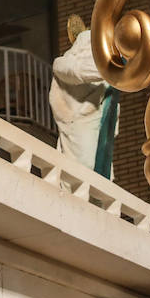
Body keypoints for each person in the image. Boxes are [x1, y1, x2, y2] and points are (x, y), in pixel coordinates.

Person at [49, 15, 119, 177]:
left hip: (100, 130)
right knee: (82, 174)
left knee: (102, 178)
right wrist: (115, 69)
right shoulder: (63, 63)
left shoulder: (105, 67)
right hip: (78, 127)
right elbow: (79, 71)